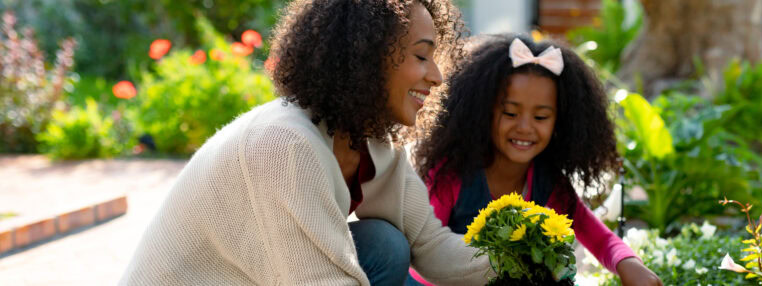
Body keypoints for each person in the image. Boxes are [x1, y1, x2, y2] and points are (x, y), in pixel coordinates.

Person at [120, 1, 492, 285]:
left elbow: (434, 248)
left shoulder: (373, 142)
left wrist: (535, 248)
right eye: (421, 56)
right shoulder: (284, 143)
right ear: (367, 57)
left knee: (383, 243)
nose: (438, 76)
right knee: (381, 246)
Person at [409, 35, 663, 285]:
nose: (524, 127)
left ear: (560, 123)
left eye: (540, 117)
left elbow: (600, 239)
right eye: (510, 113)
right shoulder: (452, 175)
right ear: (482, 111)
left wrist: (628, 264)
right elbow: (421, 259)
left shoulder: (551, 183)